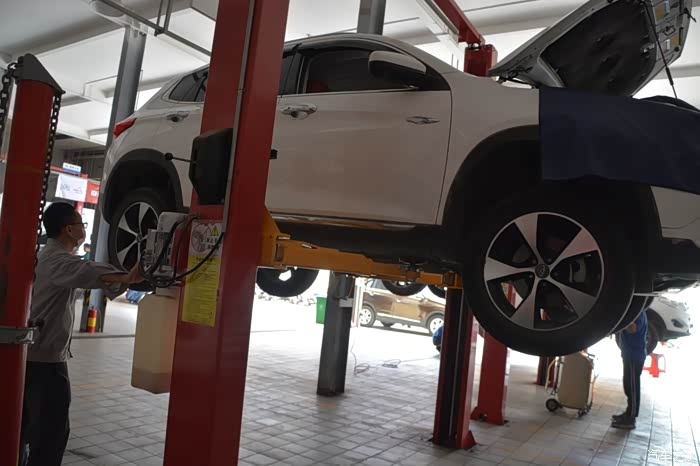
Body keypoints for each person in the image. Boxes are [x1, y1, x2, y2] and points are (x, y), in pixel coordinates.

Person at [19, 202, 143, 466]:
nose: (83, 229)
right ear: (69, 230)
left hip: (30, 357)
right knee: (50, 435)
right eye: (81, 224)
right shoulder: (57, 260)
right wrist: (127, 277)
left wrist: (122, 279)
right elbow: (86, 270)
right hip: (44, 364)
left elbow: (85, 274)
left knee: (25, 428)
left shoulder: (45, 256)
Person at [611, 310, 648, 430]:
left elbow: (633, 328)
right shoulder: (634, 311)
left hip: (634, 356)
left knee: (633, 388)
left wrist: (622, 320)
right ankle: (628, 412)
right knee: (628, 385)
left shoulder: (638, 312)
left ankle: (631, 418)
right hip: (629, 355)